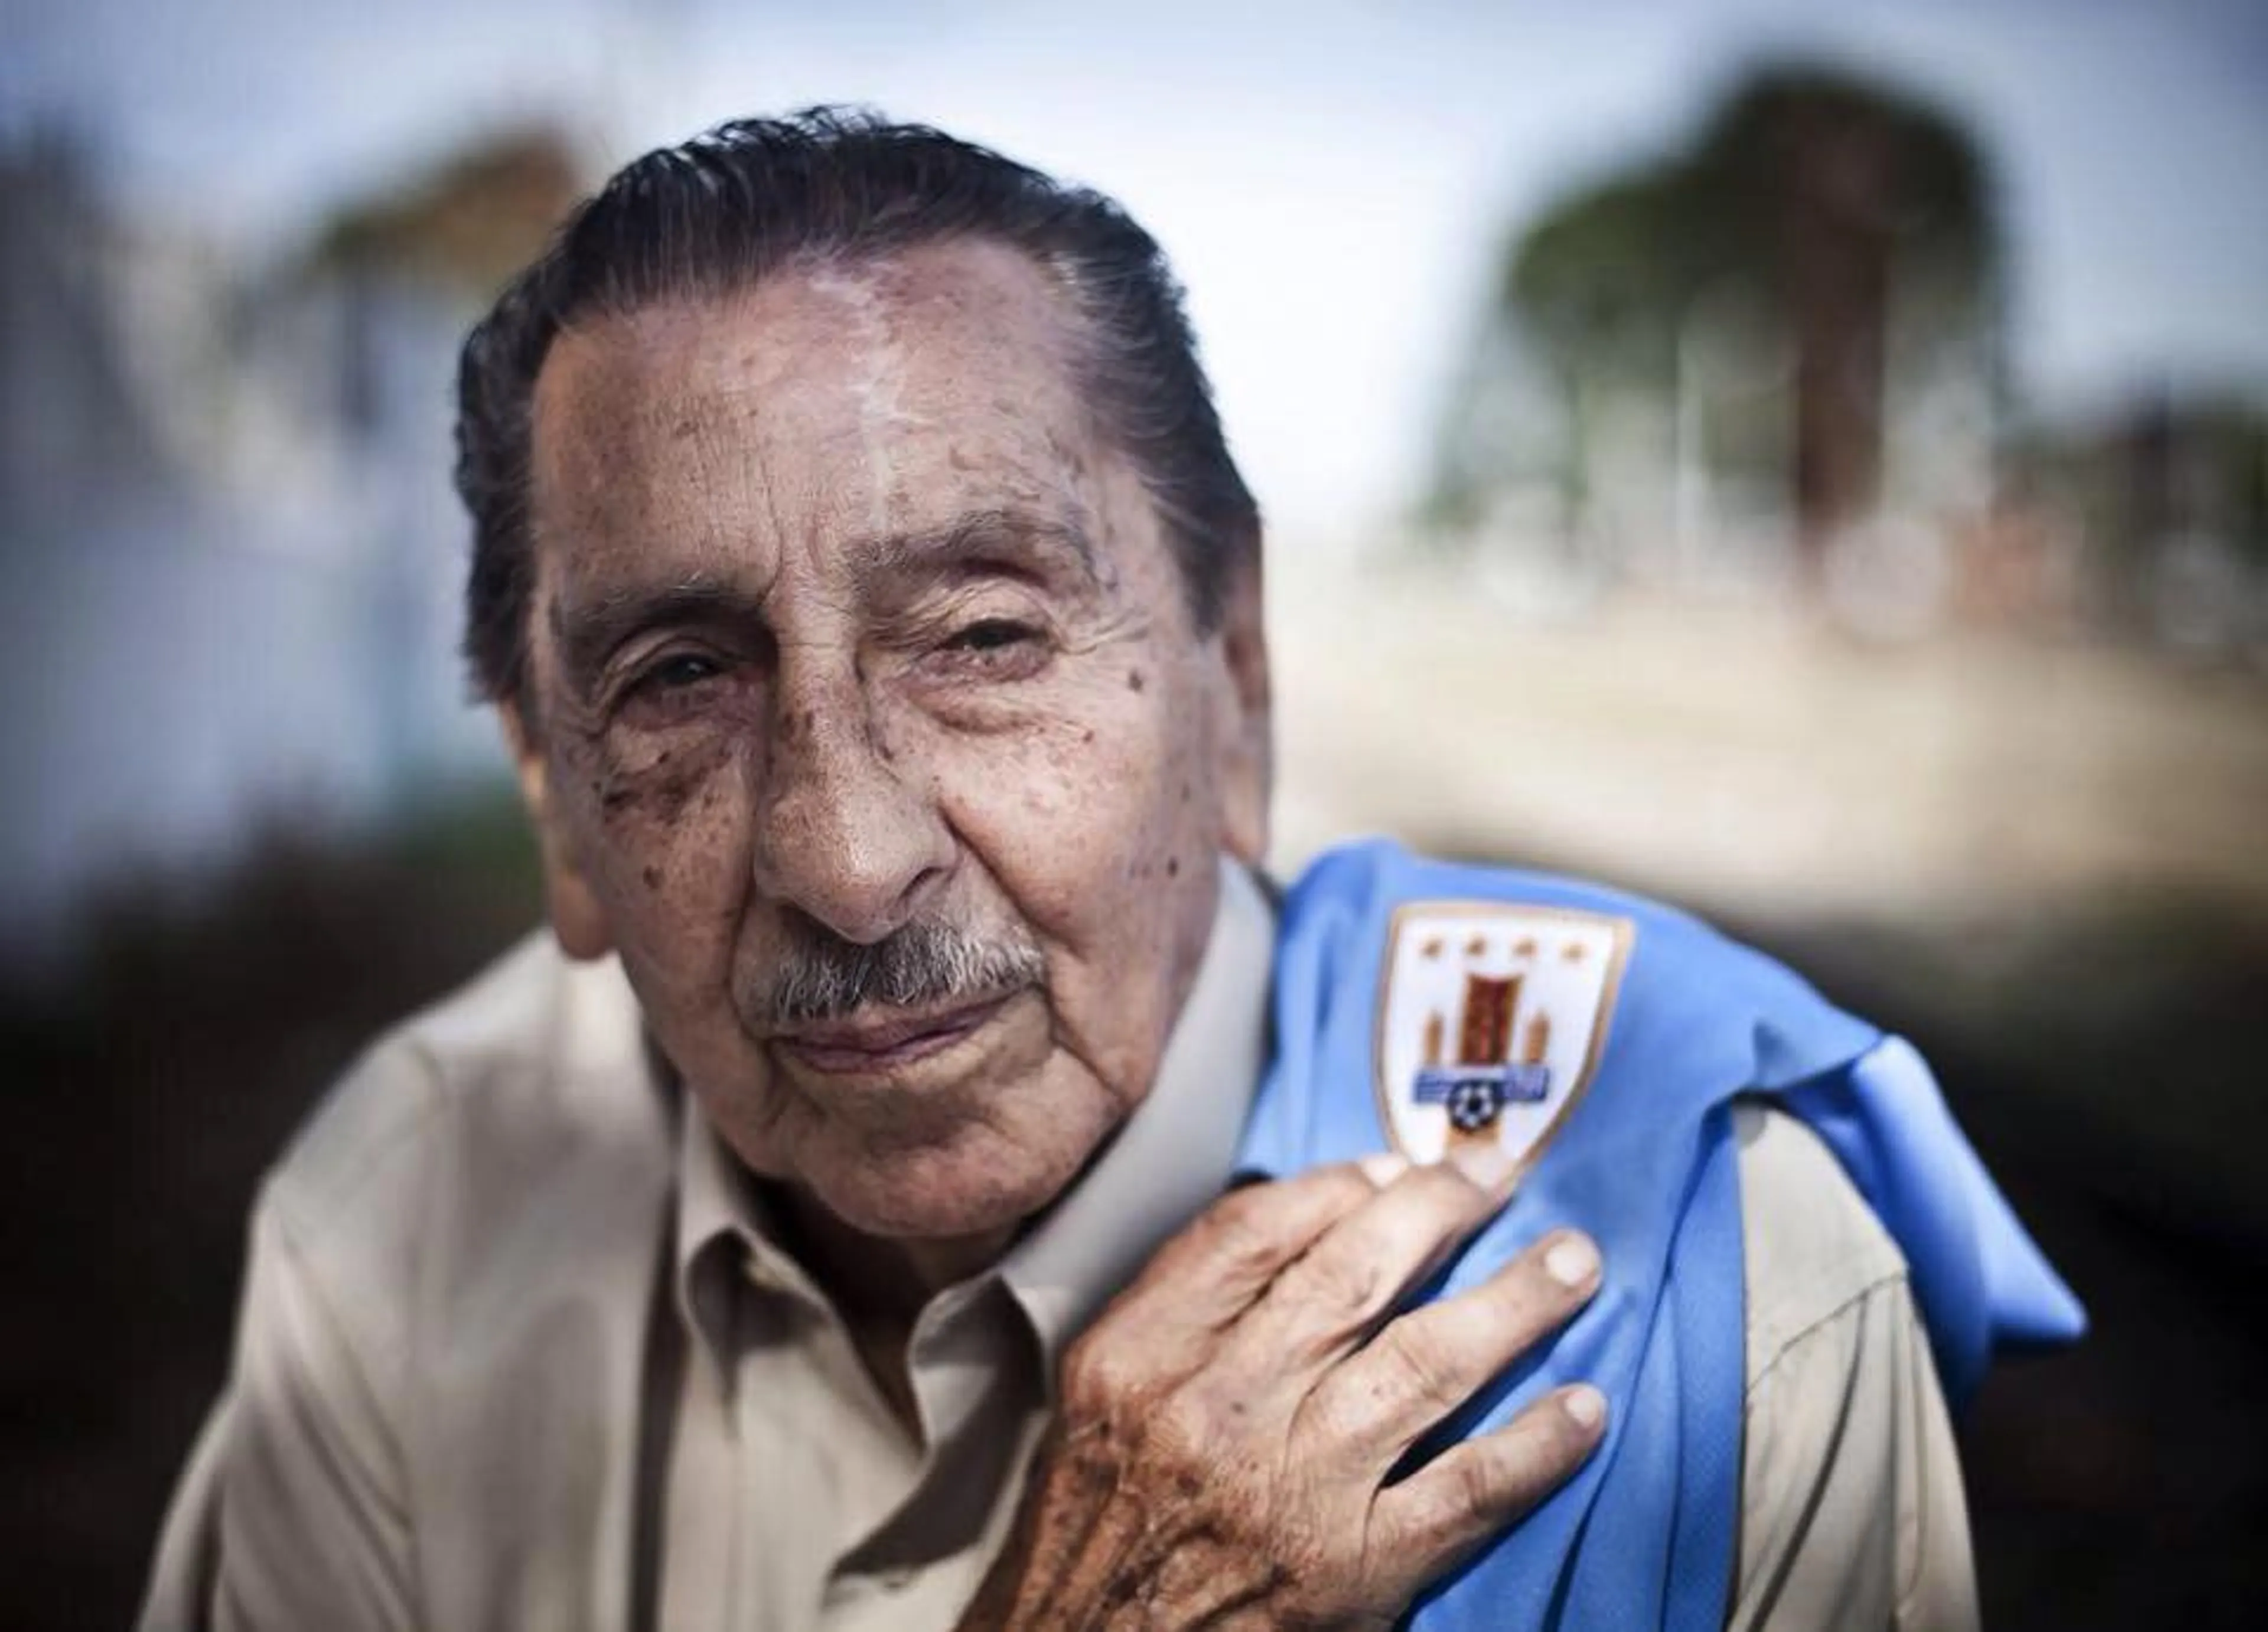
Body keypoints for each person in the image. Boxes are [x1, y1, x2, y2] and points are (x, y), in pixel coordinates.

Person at [141, 109, 2080, 1631]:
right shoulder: (404, 1230)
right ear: (559, 806)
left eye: (985, 638)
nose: (848, 861)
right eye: (678, 681)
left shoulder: (1715, 1266)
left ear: (1235, 678)